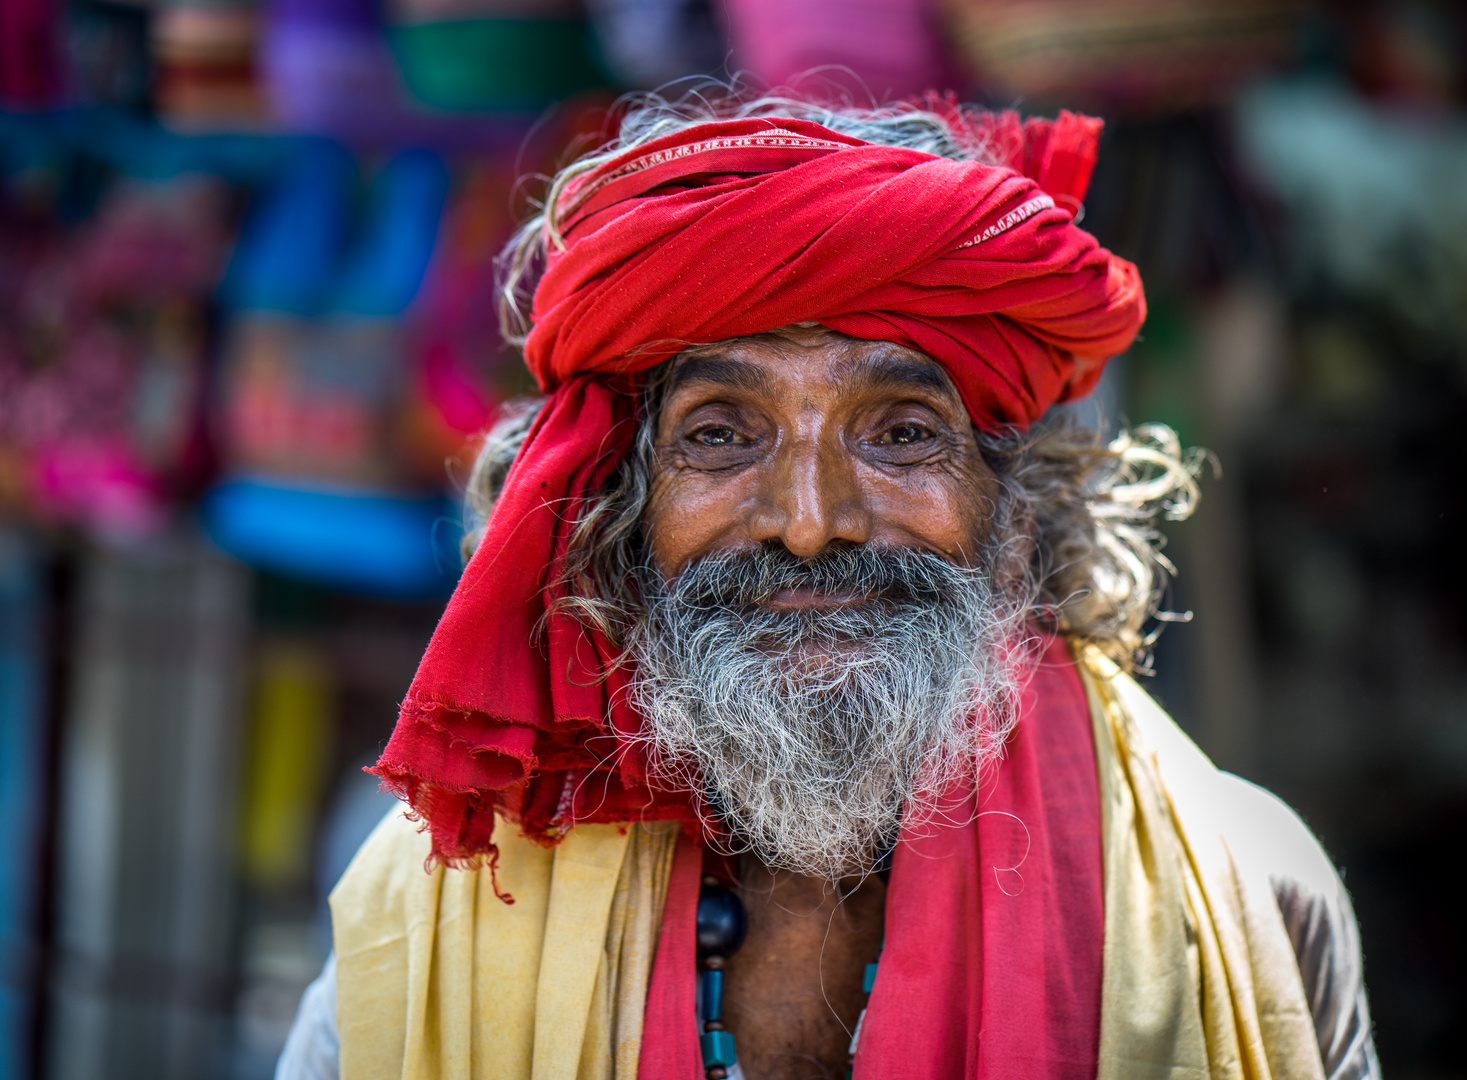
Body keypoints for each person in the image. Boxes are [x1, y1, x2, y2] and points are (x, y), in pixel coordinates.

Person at [277, 92, 1380, 1080]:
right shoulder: (423, 922)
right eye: (721, 435)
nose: (811, 523)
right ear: (615, 512)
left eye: (902, 433)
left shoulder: (1242, 893)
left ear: (1015, 507)